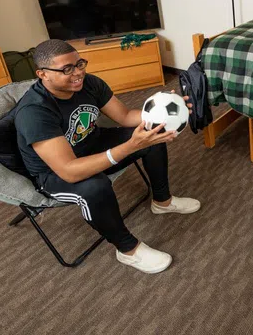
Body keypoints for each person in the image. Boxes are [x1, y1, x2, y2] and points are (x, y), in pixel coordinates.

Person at [14, 39, 200, 274]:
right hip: (54, 173)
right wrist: (130, 146)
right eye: (67, 69)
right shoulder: (34, 112)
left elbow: (124, 116)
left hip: (91, 144)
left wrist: (162, 109)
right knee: (95, 187)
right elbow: (69, 170)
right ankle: (128, 250)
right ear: (43, 74)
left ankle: (162, 202)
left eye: (79, 64)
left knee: (152, 135)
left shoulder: (88, 83)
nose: (78, 73)